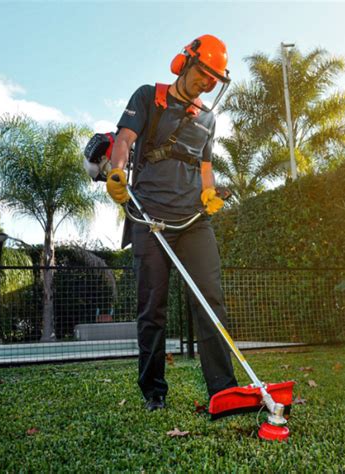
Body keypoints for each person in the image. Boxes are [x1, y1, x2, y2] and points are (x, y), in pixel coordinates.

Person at [106, 34, 238, 411]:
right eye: (203, 74)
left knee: (211, 301)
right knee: (152, 307)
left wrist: (210, 195)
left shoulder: (208, 117)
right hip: (150, 218)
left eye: (214, 79)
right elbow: (124, 139)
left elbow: (205, 165)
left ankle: (224, 390)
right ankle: (153, 392)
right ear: (185, 62)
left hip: (194, 220)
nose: (207, 83)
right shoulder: (149, 96)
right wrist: (117, 173)